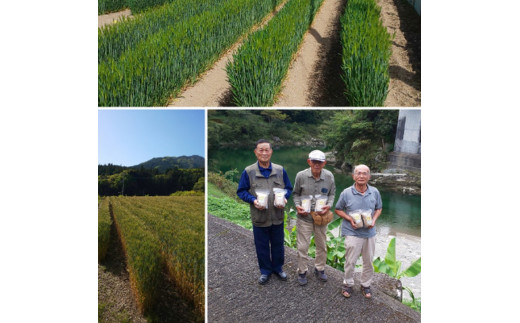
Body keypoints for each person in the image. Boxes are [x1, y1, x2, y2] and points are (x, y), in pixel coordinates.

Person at [237, 139, 293, 285]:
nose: (264, 153)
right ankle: (265, 271)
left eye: (266, 150)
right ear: (255, 152)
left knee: (278, 244)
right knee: (261, 246)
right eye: (261, 150)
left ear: (271, 152)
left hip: (277, 215)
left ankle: (278, 268)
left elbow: (288, 188)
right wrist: (253, 200)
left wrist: (285, 198)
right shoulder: (249, 171)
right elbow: (241, 191)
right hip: (259, 216)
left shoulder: (280, 170)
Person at [334, 164, 382, 299]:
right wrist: (350, 219)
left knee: (368, 261)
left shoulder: (375, 192)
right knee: (350, 260)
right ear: (353, 176)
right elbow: (338, 209)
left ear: (369, 176)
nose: (361, 176)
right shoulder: (346, 192)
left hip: (369, 233)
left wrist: (374, 220)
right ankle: (348, 283)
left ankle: (365, 285)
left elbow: (379, 208)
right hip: (352, 232)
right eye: (358, 173)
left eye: (364, 173)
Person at [293, 150, 336, 286]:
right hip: (304, 216)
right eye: (314, 161)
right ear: (309, 162)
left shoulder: (329, 176)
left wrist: (329, 205)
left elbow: (332, 194)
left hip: (321, 217)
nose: (316, 164)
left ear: (324, 163)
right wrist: (298, 206)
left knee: (322, 245)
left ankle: (320, 268)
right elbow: (295, 194)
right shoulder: (301, 175)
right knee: (303, 246)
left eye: (319, 162)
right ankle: (302, 271)